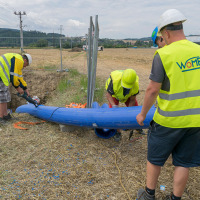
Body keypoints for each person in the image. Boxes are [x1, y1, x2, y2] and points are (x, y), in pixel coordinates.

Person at [136, 9, 200, 200]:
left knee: (155, 159)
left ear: (166, 33)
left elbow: (152, 90)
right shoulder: (198, 51)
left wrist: (142, 113)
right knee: (183, 162)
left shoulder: (164, 55)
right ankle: (176, 198)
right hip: (195, 121)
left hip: (168, 120)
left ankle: (149, 195)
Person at [105, 69, 144, 141]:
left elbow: (132, 100)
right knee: (113, 113)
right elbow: (108, 95)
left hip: (128, 96)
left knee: (135, 110)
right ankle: (117, 132)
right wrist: (114, 106)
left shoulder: (135, 84)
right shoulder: (114, 81)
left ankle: (137, 126)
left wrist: (128, 113)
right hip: (114, 95)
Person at [0, 53, 32, 123]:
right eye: (27, 64)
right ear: (25, 60)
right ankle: (1, 117)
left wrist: (25, 88)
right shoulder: (19, 61)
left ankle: (5, 115)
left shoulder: (18, 61)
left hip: (3, 76)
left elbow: (19, 78)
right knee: (2, 98)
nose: (25, 67)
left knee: (5, 97)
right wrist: (18, 88)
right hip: (1, 75)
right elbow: (13, 78)